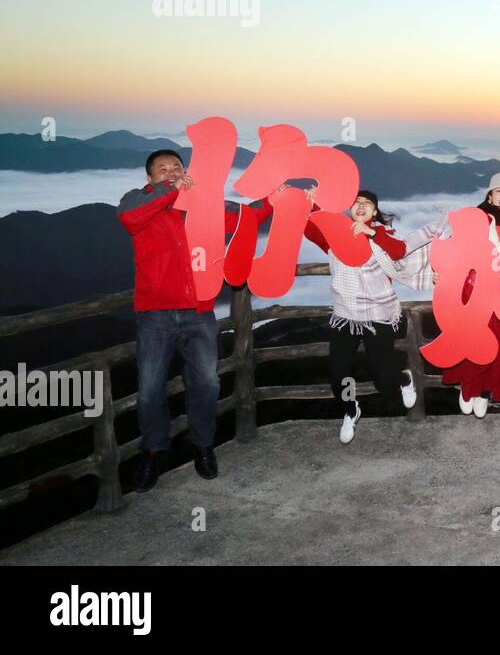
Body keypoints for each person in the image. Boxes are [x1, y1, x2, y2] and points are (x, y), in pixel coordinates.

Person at [117, 149, 275, 491]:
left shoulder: (204, 204)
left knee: (207, 383)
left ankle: (202, 445)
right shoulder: (136, 200)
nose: (171, 172)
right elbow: (129, 218)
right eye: (163, 169)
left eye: (177, 167)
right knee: (149, 389)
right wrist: (173, 191)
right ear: (149, 178)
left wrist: (277, 197)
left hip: (199, 311)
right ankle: (154, 450)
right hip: (155, 312)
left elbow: (248, 217)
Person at [303, 189, 418, 443]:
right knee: (338, 372)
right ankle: (350, 409)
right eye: (356, 202)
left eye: (367, 203)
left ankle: (403, 378)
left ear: (375, 211)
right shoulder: (338, 235)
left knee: (383, 377)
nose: (361, 206)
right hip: (345, 313)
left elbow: (399, 251)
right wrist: (311, 207)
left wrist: (372, 233)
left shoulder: (383, 234)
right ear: (349, 209)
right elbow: (312, 232)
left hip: (378, 313)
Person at [437, 174, 500, 419]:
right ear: (489, 196)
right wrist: (440, 270)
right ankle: (469, 387)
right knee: (478, 343)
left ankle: (485, 390)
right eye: (498, 191)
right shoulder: (478, 218)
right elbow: (453, 247)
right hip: (480, 291)